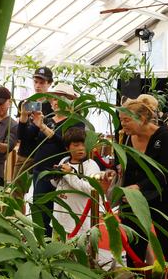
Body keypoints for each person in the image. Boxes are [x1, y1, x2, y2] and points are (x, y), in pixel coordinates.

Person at [119, 94, 168, 266]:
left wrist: (139, 186)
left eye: (126, 120)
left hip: (164, 197)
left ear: (143, 118)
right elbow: (127, 170)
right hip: (136, 200)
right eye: (121, 120)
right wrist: (124, 198)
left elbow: (166, 172)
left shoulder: (164, 136)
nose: (123, 124)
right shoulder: (127, 137)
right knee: (135, 246)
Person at [19, 82, 84, 236]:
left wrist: (43, 128)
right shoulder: (47, 118)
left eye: (61, 98)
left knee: (59, 213)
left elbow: (67, 144)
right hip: (40, 171)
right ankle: (41, 243)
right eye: (54, 98)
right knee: (39, 211)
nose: (55, 102)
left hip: (60, 172)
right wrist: (23, 117)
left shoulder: (75, 122)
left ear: (70, 101)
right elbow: (24, 138)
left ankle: (57, 244)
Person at [51, 128, 112, 237]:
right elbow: (56, 185)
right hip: (59, 219)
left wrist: (70, 174)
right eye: (76, 145)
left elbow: (91, 189)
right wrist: (55, 176)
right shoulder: (64, 161)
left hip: (79, 222)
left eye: (83, 145)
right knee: (58, 252)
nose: (81, 148)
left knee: (76, 253)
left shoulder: (90, 165)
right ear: (67, 147)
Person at [13, 66, 54, 194]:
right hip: (25, 154)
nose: (38, 86)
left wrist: (39, 124)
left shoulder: (53, 105)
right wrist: (24, 117)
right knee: (16, 193)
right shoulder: (25, 104)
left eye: (42, 82)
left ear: (49, 83)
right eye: (35, 82)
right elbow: (21, 135)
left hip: (44, 156)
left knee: (42, 194)